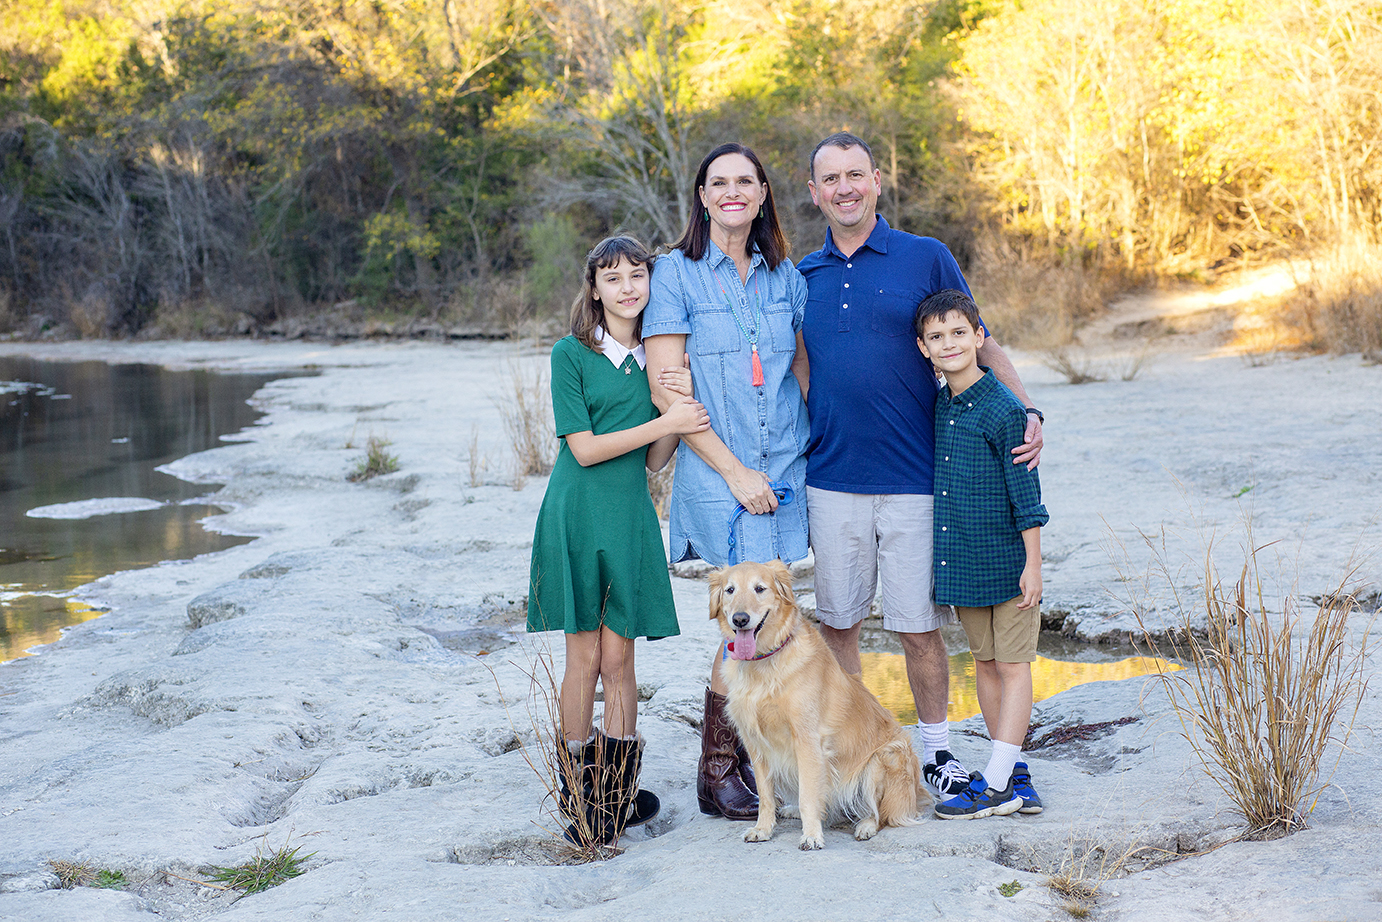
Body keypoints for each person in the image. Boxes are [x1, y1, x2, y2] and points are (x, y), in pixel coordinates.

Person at [795, 132, 1044, 798]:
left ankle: (936, 753)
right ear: (813, 192)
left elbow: (978, 340)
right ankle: (854, 749)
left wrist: (1028, 411)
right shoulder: (800, 276)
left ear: (877, 180)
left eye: (856, 175)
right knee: (839, 624)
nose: (845, 188)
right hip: (830, 478)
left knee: (917, 627)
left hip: (915, 479)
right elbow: (791, 367)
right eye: (830, 179)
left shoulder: (924, 256)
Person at [643, 142, 811, 820]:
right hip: (723, 477)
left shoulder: (784, 276)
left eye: (746, 180)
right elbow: (667, 390)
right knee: (735, 622)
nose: (734, 191)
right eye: (720, 182)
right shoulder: (674, 274)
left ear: (764, 193)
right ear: (703, 197)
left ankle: (759, 763)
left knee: (772, 623)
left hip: (787, 472)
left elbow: (801, 364)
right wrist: (738, 473)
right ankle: (719, 773)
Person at [526, 235, 711, 848]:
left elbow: (656, 462)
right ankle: (577, 795)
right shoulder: (571, 355)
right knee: (585, 658)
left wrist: (675, 412)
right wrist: (667, 421)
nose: (628, 287)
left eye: (638, 275)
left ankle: (617, 795)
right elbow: (584, 449)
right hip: (577, 513)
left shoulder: (654, 364)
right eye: (614, 277)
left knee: (622, 659)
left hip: (631, 516)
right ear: (594, 288)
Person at [914, 289, 1048, 819]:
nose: (949, 344)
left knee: (1013, 667)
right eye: (936, 337)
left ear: (979, 337)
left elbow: (1028, 500)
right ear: (923, 349)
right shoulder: (942, 403)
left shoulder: (1004, 410)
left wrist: (1032, 566)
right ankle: (1011, 776)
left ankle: (993, 783)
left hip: (1008, 564)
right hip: (964, 565)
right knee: (985, 665)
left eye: (959, 333)